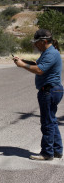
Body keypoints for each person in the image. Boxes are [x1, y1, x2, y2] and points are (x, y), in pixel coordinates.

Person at [13, 29, 63, 161]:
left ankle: (47, 153)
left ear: (44, 41)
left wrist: (22, 65)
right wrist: (24, 61)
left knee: (47, 122)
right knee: (51, 120)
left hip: (49, 91)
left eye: (37, 43)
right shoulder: (48, 52)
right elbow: (37, 64)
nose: (35, 45)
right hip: (52, 90)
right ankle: (57, 150)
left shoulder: (51, 53)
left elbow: (40, 70)